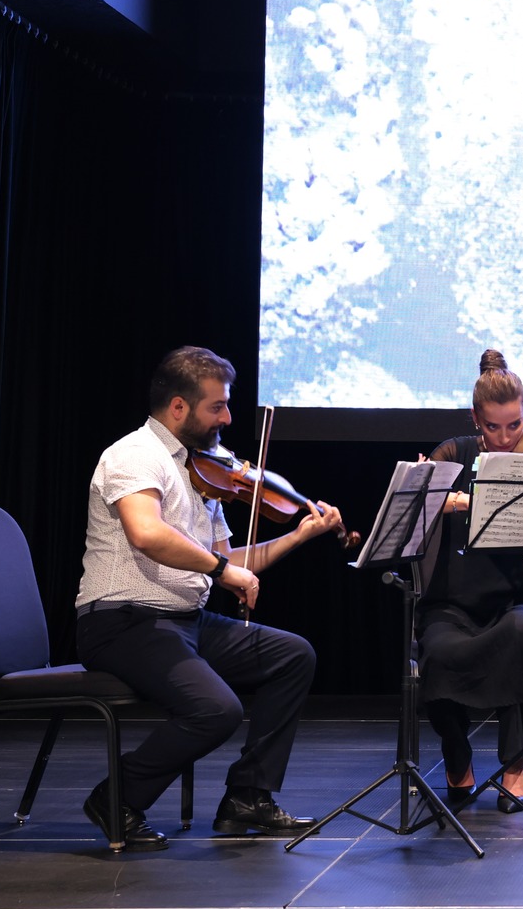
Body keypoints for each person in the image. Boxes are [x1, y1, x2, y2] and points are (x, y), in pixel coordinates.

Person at [75, 346, 345, 851]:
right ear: (179, 407)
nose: (227, 418)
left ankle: (248, 796)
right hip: (121, 621)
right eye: (216, 406)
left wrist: (298, 536)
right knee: (217, 710)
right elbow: (147, 533)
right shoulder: (134, 455)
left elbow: (229, 560)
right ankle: (117, 797)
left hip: (184, 620)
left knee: (292, 655)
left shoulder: (202, 471)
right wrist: (222, 569)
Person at [419, 348, 523, 811]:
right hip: (453, 604)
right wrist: (460, 499)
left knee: (521, 634)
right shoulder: (453, 454)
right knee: (435, 649)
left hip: (518, 600)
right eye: (493, 427)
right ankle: (456, 752)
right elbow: (423, 506)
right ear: (475, 419)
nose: (505, 438)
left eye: (515, 425)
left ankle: (517, 764)